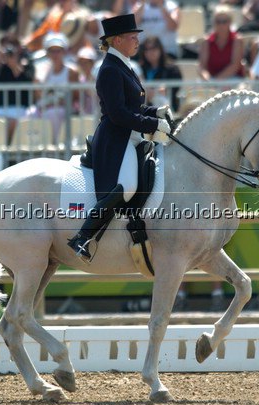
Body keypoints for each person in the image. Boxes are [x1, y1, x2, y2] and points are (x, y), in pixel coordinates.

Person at [67, 13, 173, 262]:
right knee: (128, 187)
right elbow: (118, 114)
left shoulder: (123, 64)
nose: (138, 42)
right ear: (116, 40)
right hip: (117, 138)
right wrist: (153, 122)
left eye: (137, 37)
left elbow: (132, 108)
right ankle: (83, 236)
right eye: (133, 37)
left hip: (131, 133)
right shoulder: (110, 70)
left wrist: (155, 112)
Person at [0, 35, 34, 142]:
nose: (9, 48)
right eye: (5, 45)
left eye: (12, 45)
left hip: (17, 106)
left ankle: (8, 146)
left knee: (14, 121)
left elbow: (26, 82)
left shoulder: (26, 63)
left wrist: (14, 64)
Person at [28, 32, 80, 145]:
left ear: (64, 52)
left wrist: (60, 101)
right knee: (29, 114)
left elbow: (76, 96)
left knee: (53, 113)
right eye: (52, 51)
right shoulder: (41, 70)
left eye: (58, 50)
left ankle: (53, 146)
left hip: (64, 109)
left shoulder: (71, 72)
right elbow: (37, 95)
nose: (55, 54)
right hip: (44, 107)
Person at [198, 5, 244, 83]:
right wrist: (207, 79)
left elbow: (235, 65)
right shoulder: (206, 42)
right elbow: (202, 67)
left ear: (230, 22)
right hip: (211, 80)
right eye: (218, 21)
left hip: (233, 79)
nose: (221, 25)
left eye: (224, 21)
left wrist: (217, 82)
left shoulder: (237, 40)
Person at [137, 36, 182, 111]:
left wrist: (165, 89)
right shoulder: (139, 69)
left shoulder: (172, 68)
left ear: (160, 49)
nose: (150, 52)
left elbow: (176, 87)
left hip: (166, 107)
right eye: (147, 49)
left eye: (153, 48)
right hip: (143, 108)